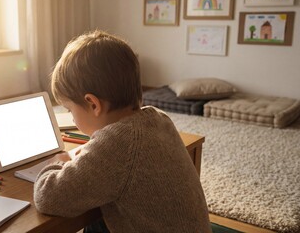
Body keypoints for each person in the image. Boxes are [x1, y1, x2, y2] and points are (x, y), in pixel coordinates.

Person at [33, 30, 211, 232]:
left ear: (93, 104)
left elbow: (48, 198)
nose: (71, 117)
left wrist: (58, 162)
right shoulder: (158, 118)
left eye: (69, 109)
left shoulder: (116, 145)